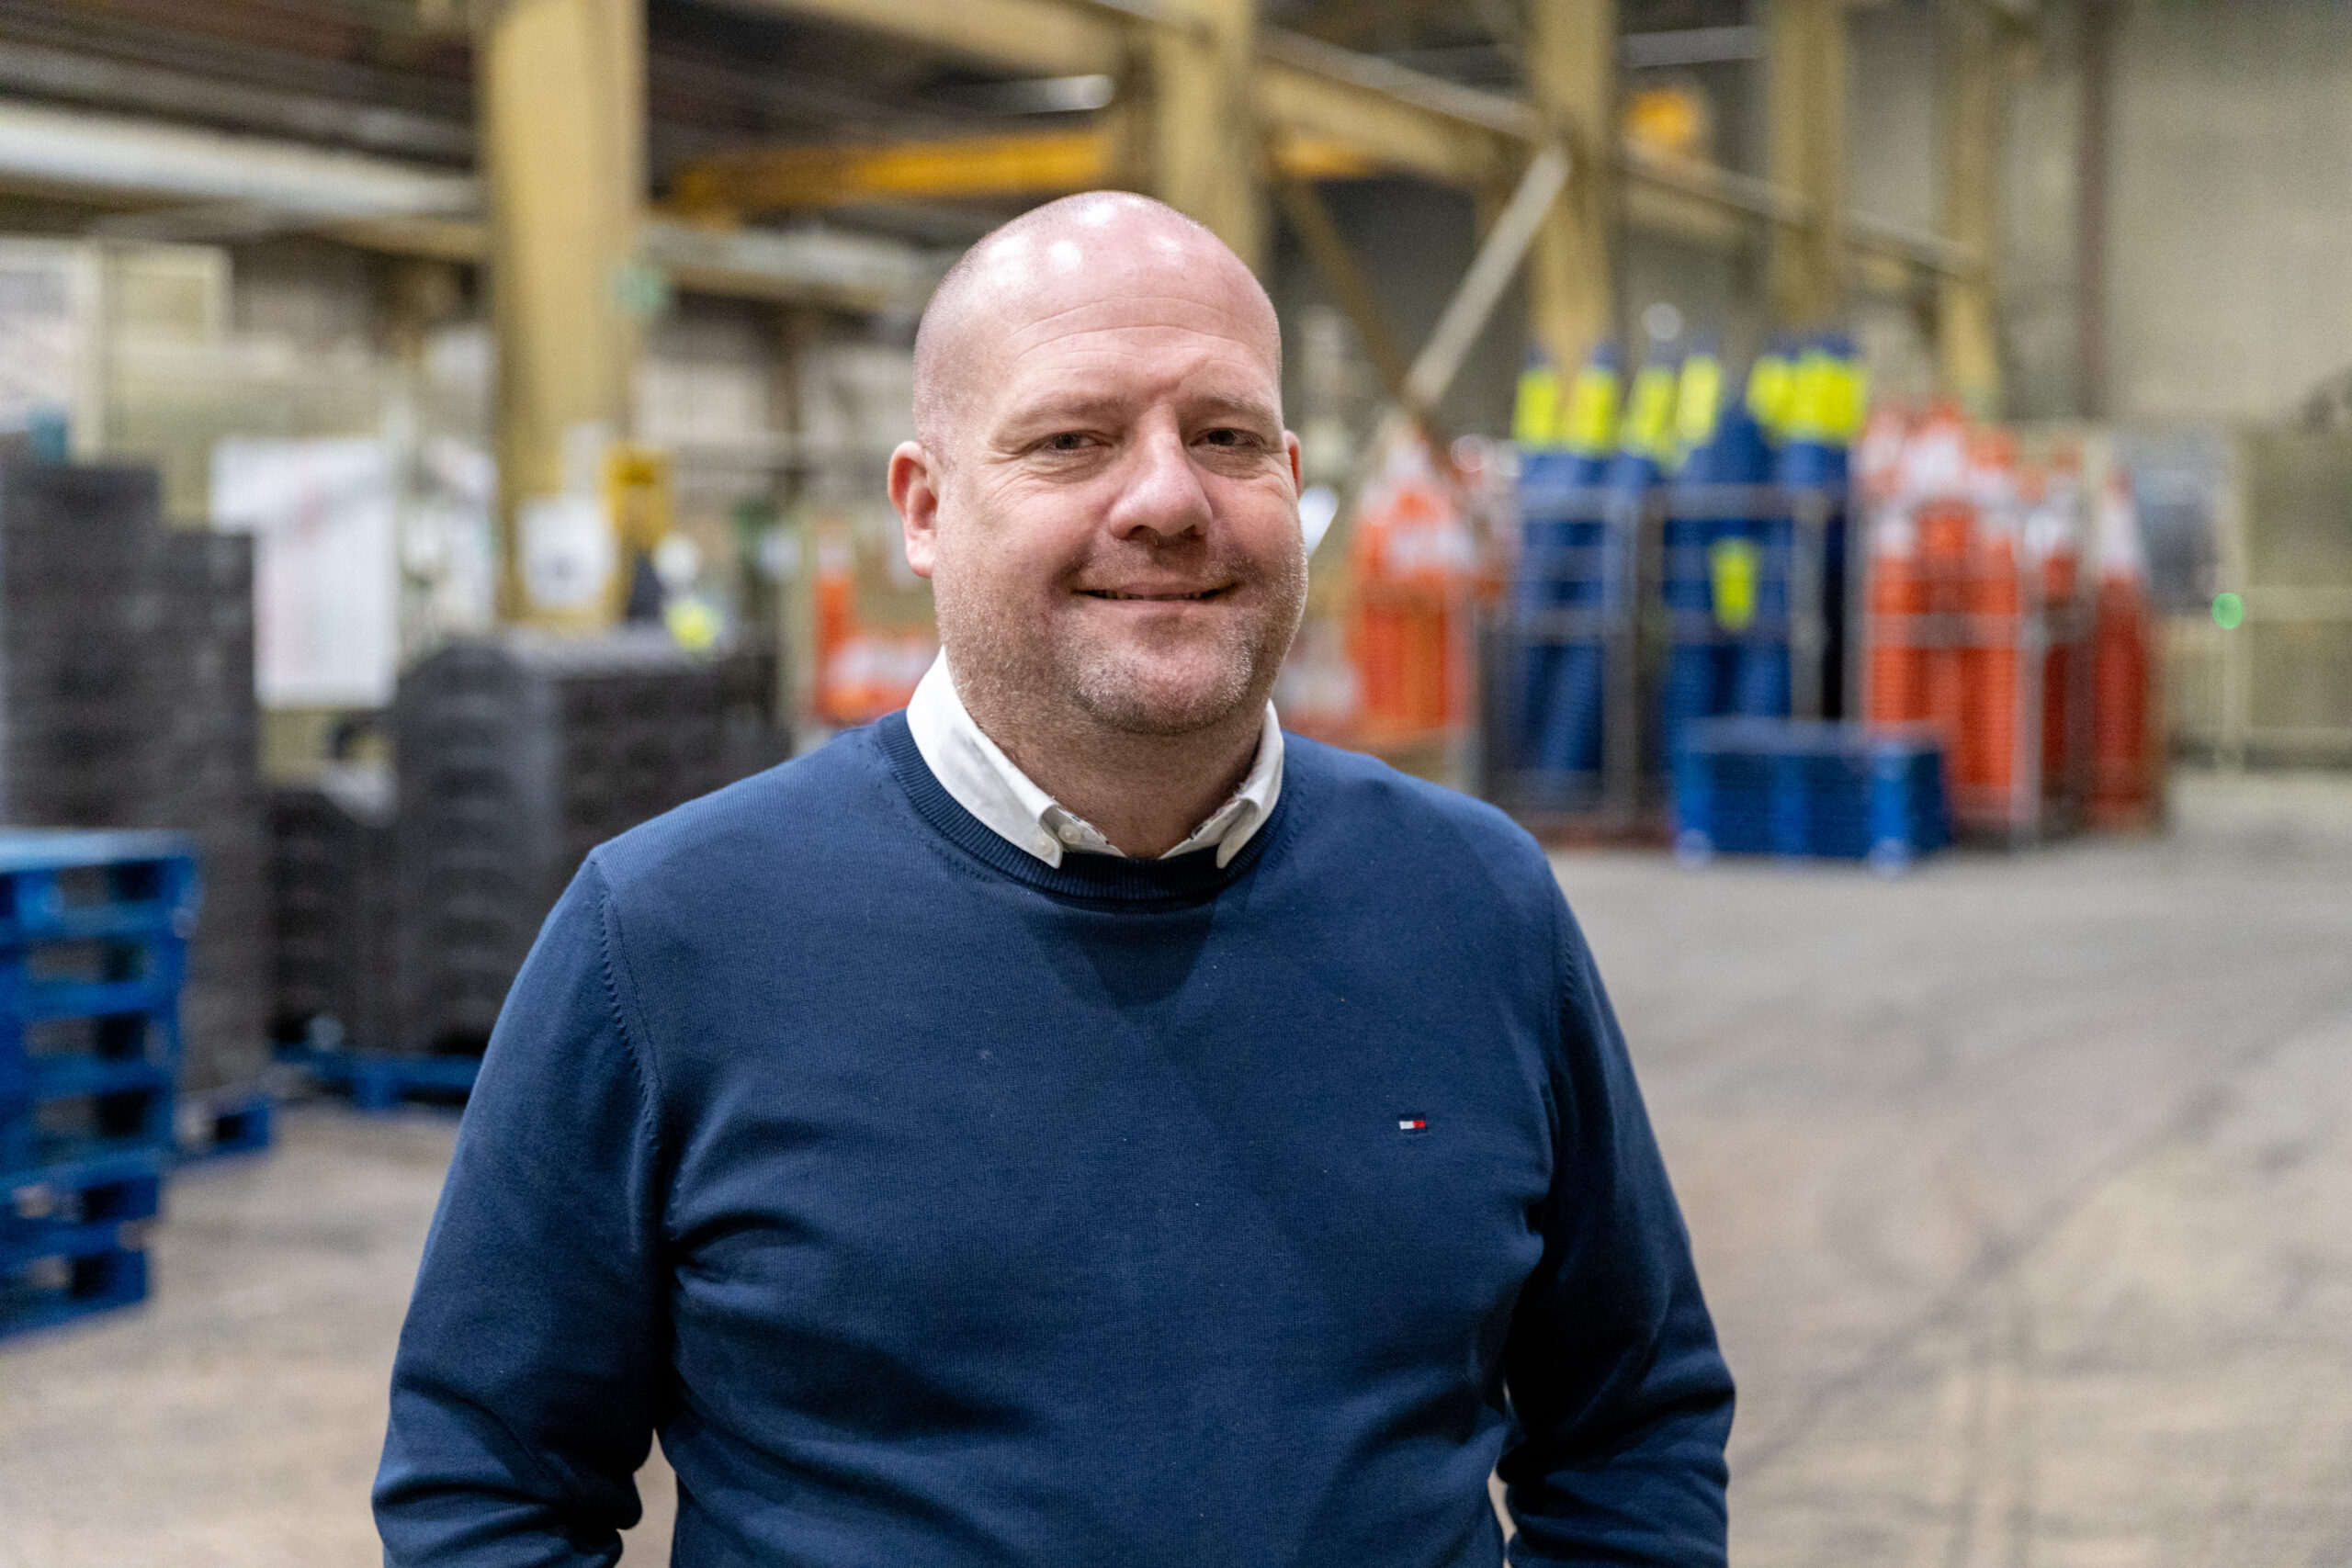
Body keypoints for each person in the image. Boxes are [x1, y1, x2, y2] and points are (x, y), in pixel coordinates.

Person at [375, 192, 1733, 1567]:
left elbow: (1632, 1425)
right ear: (925, 508)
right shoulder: (670, 936)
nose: (1167, 500)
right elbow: (488, 1484)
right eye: (1072, 440)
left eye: (1226, 438)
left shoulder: (1477, 907)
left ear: (1290, 480)